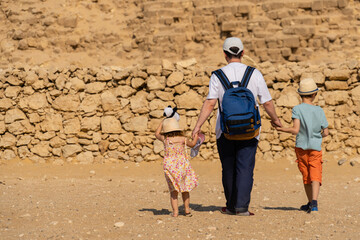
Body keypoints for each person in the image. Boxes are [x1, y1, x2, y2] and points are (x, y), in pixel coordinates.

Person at [192, 37, 282, 216]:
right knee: (245, 167)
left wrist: (197, 126)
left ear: (224, 54)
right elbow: (267, 102)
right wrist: (276, 119)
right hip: (250, 129)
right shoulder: (254, 73)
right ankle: (242, 207)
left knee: (228, 167)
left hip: (224, 129)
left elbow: (210, 103)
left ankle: (231, 206)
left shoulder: (217, 75)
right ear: (242, 53)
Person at [275, 78, 329, 213]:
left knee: (306, 175)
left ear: (300, 94)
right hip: (315, 147)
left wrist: (282, 129)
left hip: (301, 147)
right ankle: (315, 203)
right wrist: (317, 137)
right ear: (314, 94)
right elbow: (326, 132)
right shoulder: (319, 110)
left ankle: (310, 202)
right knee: (316, 174)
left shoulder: (297, 109)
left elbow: (295, 130)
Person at [155, 117, 199, 217]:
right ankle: (187, 210)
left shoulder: (166, 139)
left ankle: (175, 212)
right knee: (185, 189)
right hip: (182, 165)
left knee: (173, 191)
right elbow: (192, 144)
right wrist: (196, 137)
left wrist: (162, 122)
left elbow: (157, 134)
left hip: (170, 167)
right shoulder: (183, 139)